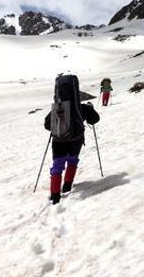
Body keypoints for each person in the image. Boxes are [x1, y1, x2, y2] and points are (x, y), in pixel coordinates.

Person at [44, 76, 100, 204]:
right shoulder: (81, 108)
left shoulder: (57, 109)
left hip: (58, 142)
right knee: (72, 161)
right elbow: (95, 119)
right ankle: (67, 185)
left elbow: (47, 125)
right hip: (76, 139)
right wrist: (90, 109)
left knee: (57, 166)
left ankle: (55, 195)